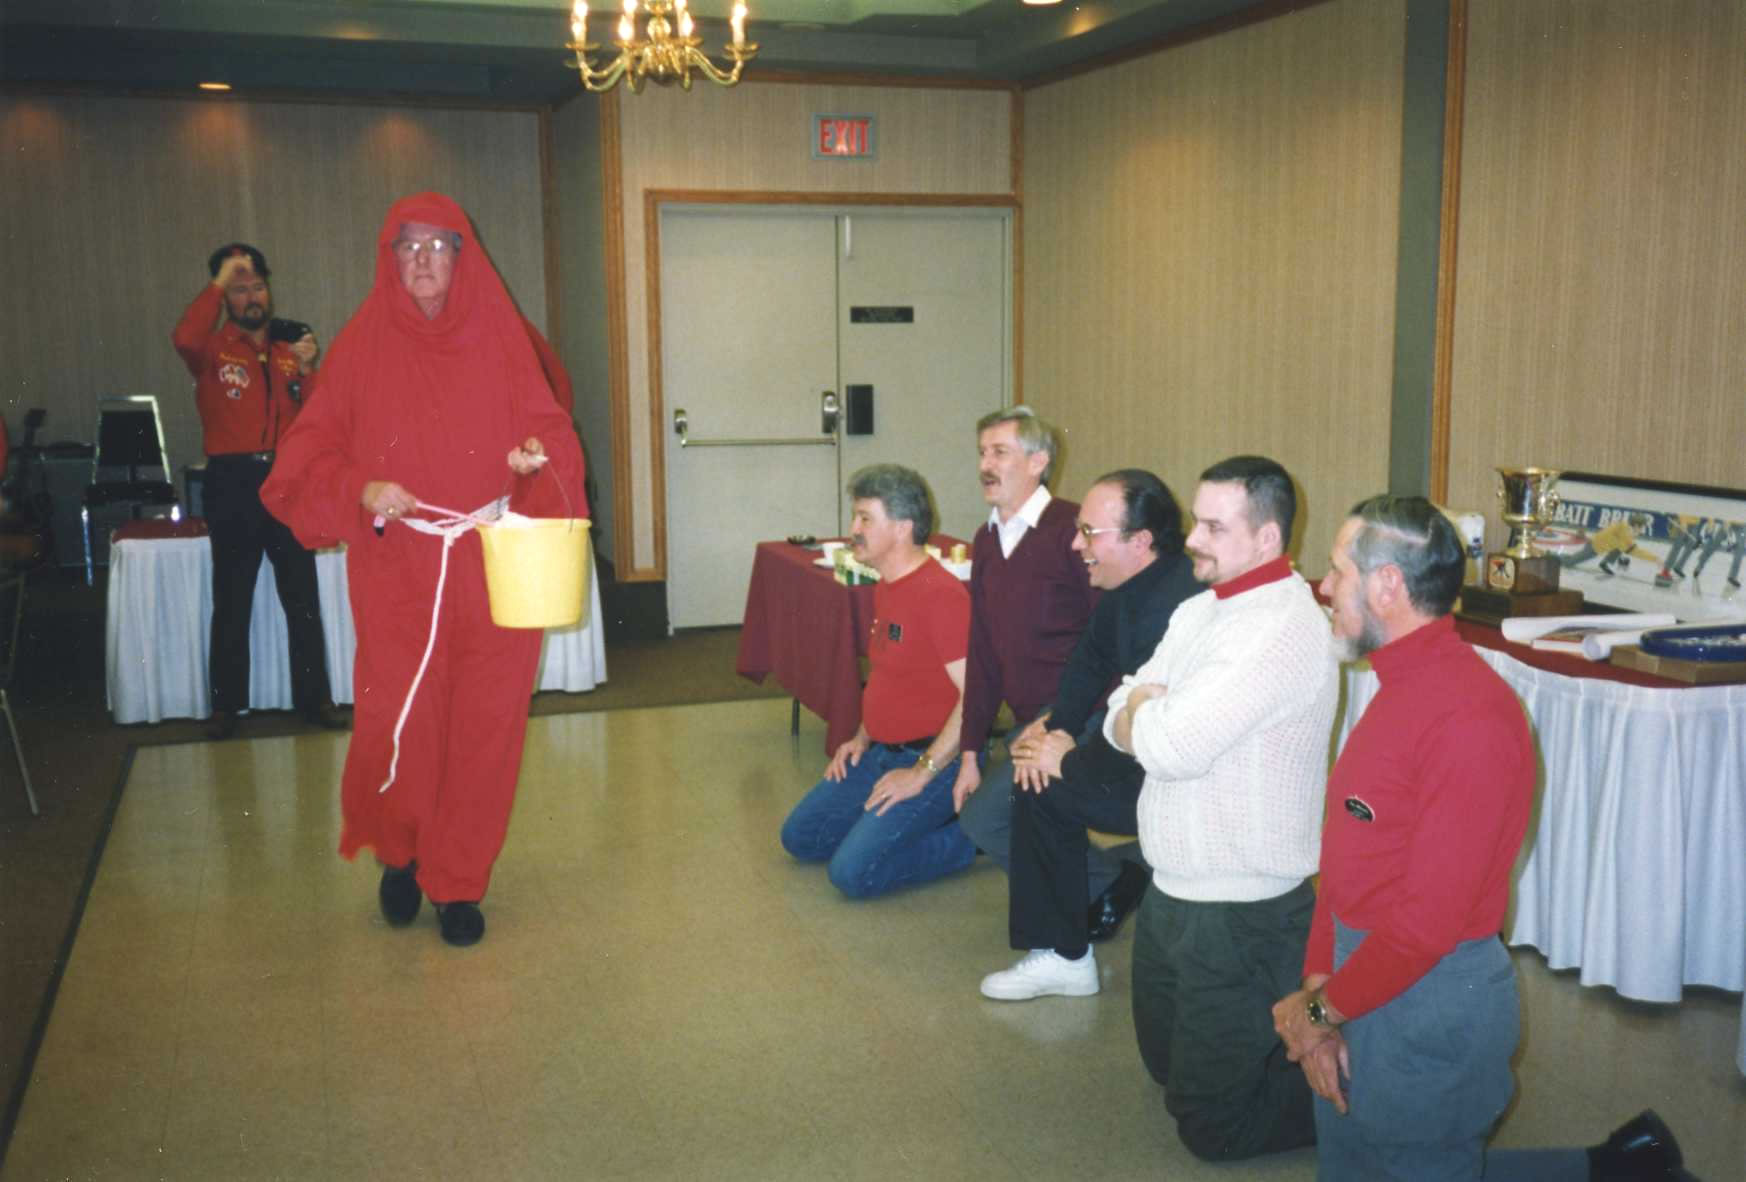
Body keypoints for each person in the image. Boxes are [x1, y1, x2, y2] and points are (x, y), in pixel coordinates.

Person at [1272, 495, 1689, 1181]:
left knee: (1421, 1163)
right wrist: (1322, 989)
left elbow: (1426, 927)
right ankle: (1618, 1164)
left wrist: (1318, 1011)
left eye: (1338, 570)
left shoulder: (1471, 717)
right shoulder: (1396, 688)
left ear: (1387, 585)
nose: (1325, 587)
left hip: (1428, 1004)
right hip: (1359, 980)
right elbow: (1346, 858)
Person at [260, 192, 586, 948]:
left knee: (485, 729)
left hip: (493, 565)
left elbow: (556, 442)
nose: (423, 261)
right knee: (398, 720)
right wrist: (362, 488)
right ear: (390, 258)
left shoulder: (505, 338)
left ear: (464, 257)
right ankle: (400, 854)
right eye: (408, 247)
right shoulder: (361, 345)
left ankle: (459, 880)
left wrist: (531, 465)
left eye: (439, 246)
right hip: (397, 567)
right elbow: (307, 458)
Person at [1103, 454, 1335, 1162]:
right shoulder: (1200, 609)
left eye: (1214, 527)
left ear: (1267, 538)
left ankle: (1385, 1104)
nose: (1194, 540)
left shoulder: (1281, 627)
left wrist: (1146, 710)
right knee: (1164, 1073)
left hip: (1242, 911)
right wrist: (1144, 707)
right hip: (1173, 890)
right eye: (1196, 521)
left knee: (1211, 1128)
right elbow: (1117, 707)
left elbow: (1171, 746)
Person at [970, 469, 1200, 999]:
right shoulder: (1129, 587)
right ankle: (1067, 945)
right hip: (1143, 757)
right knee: (1036, 771)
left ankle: (1065, 958)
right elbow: (1088, 663)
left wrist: (1066, 761)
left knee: (1044, 788)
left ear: (1140, 541)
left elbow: (1156, 738)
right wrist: (1055, 730)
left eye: (1089, 533)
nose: (1077, 544)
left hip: (1182, 783)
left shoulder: (1177, 608)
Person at [780, 464, 977, 898]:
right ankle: (894, 822)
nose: (854, 529)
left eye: (866, 518)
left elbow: (976, 698)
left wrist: (921, 774)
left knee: (851, 874)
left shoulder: (941, 596)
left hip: (933, 759)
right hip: (879, 752)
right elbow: (892, 675)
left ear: (903, 528)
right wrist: (861, 736)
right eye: (857, 517)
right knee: (801, 838)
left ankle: (972, 836)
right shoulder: (887, 584)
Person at [172, 242, 341, 739]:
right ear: (225, 297)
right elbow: (183, 337)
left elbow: (319, 417)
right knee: (232, 599)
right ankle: (226, 707)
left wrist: (309, 371)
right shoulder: (211, 350)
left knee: (302, 598)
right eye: (239, 288)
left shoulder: (290, 352)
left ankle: (315, 699)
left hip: (287, 481)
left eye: (258, 287)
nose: (252, 297)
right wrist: (217, 282)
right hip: (233, 482)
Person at [950, 406, 1094, 869]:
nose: (985, 466)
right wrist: (970, 752)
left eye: (999, 453)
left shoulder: (1072, 530)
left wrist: (1060, 720)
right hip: (1030, 722)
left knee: (988, 821)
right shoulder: (986, 540)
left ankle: (1097, 888)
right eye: (982, 453)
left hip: (1082, 714)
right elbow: (983, 652)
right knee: (993, 821)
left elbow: (1107, 640)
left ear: (1038, 462)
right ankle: (1101, 885)